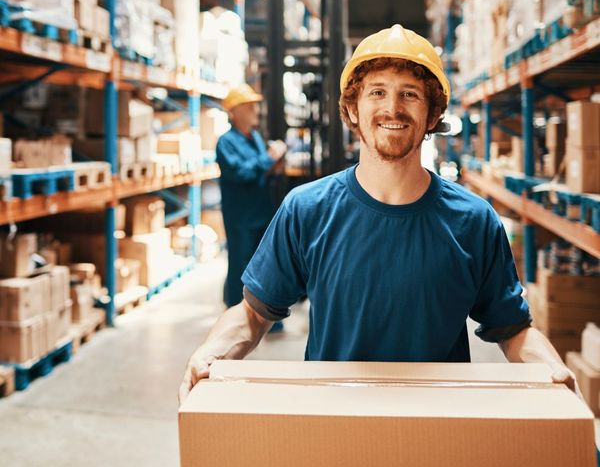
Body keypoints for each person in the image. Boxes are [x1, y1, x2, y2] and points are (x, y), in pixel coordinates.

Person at [180, 24, 578, 403]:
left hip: (441, 427)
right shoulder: (308, 210)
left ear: (433, 115)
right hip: (335, 425)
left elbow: (512, 329)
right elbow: (253, 314)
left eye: (409, 94)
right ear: (352, 109)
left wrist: (552, 369)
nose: (392, 108)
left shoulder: (473, 220)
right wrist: (209, 352)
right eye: (376, 93)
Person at [216, 84, 287, 309]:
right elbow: (241, 173)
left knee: (264, 266)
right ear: (234, 112)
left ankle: (266, 317)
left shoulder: (255, 137)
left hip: (261, 211)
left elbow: (259, 170)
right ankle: (237, 314)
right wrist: (269, 158)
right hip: (241, 217)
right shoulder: (226, 142)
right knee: (240, 264)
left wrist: (274, 167)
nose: (255, 111)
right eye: (249, 107)